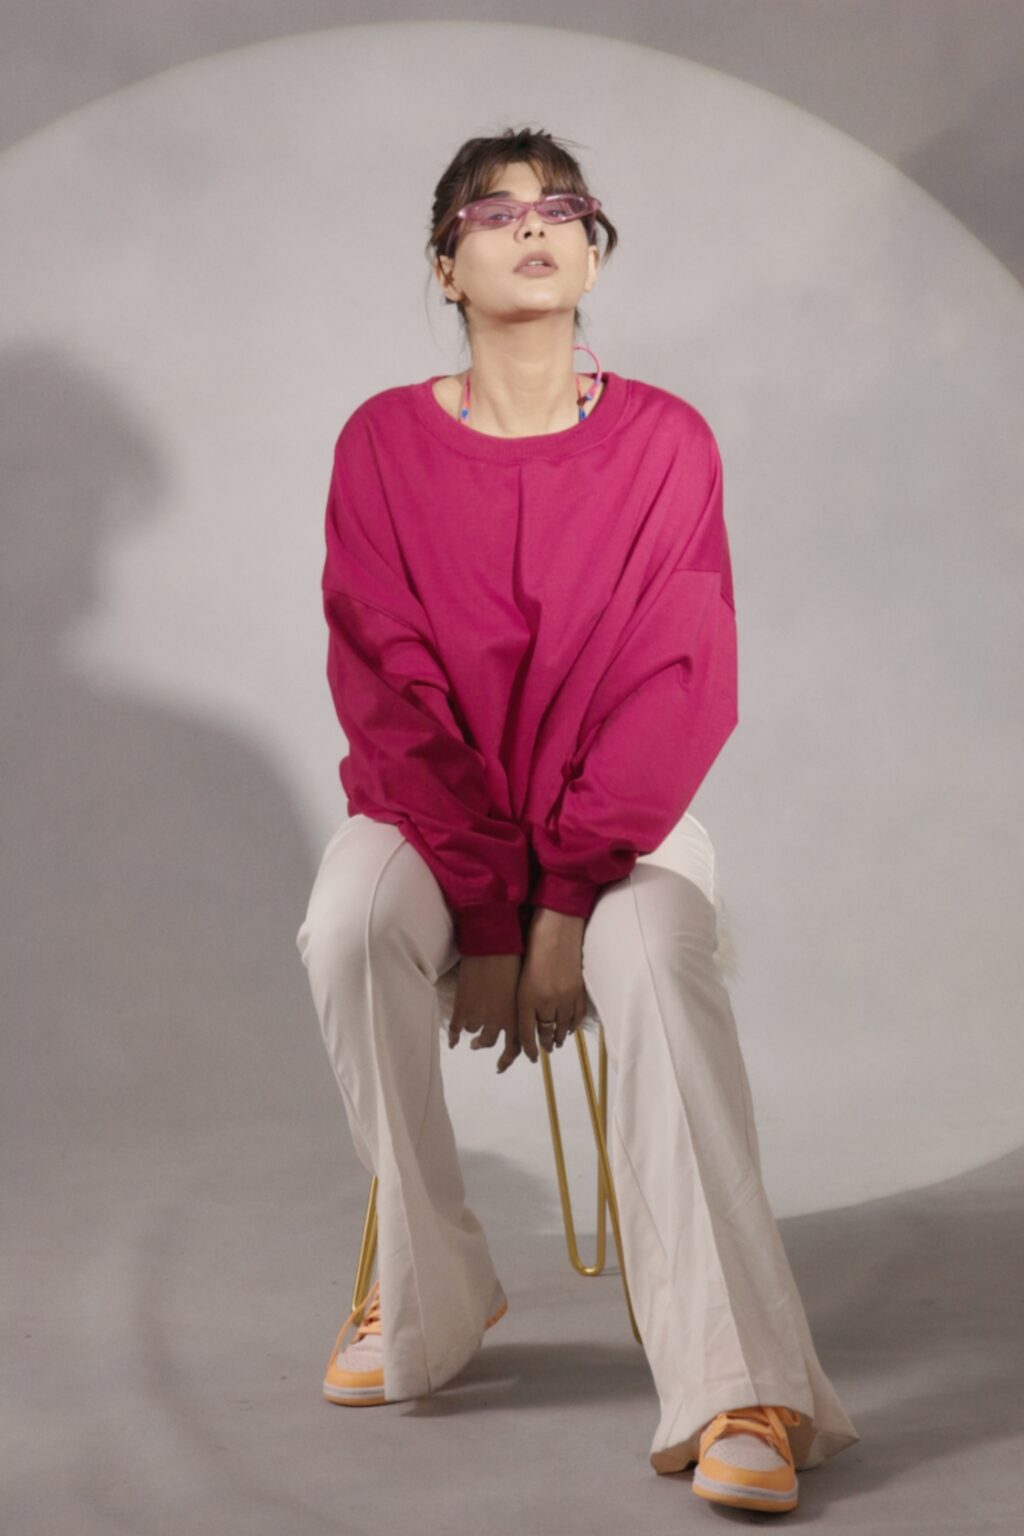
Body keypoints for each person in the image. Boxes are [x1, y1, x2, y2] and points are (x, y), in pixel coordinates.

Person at [295, 125, 860, 1515]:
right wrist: (490, 911)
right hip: (439, 821)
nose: (534, 226)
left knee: (655, 959)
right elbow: (390, 690)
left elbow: (681, 681)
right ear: (446, 266)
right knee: (346, 923)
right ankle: (430, 1285)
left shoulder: (668, 440)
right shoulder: (381, 442)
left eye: (562, 207)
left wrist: (556, 905)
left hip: (621, 824)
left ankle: (737, 1382)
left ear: (594, 253)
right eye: (494, 213)